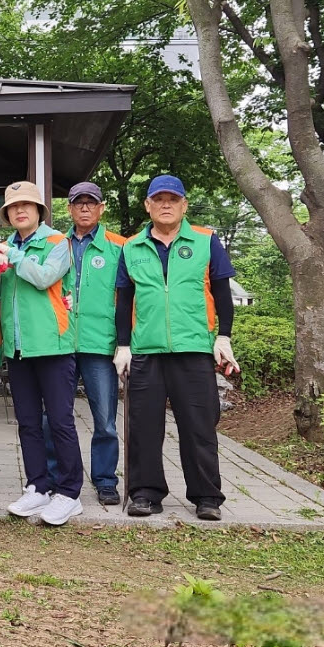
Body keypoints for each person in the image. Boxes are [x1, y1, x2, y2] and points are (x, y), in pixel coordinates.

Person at [114, 175, 240, 522]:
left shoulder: (205, 240)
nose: (166, 205)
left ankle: (206, 496)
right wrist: (122, 345)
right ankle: (145, 493)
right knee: (144, 427)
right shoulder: (131, 247)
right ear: (148, 206)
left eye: (173, 199)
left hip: (194, 349)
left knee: (198, 426)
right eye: (159, 199)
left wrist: (223, 337)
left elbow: (222, 293)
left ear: (184, 205)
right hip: (146, 351)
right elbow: (124, 301)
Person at [0, 181, 85, 527]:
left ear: (39, 210)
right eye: (13, 207)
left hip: (53, 345)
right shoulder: (6, 247)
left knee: (59, 421)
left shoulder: (58, 243)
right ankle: (38, 486)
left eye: (26, 205)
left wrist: (11, 257)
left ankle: (70, 493)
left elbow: (44, 277)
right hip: (18, 348)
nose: (19, 211)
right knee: (27, 422)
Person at [50, 181, 128, 506]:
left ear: (101, 207)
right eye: (78, 202)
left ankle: (106, 480)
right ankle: (59, 478)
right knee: (55, 415)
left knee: (106, 418)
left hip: (101, 343)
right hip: (62, 342)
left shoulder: (119, 246)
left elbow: (129, 298)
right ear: (69, 208)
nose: (84, 207)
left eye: (90, 202)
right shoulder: (56, 244)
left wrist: (125, 342)